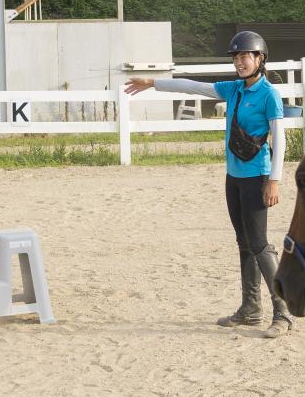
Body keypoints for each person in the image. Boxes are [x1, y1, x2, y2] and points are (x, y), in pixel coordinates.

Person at [124, 31, 293, 337]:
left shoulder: (269, 94)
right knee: (244, 244)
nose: (240, 62)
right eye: (236, 57)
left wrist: (275, 180)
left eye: (245, 56)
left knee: (259, 244)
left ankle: (282, 312)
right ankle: (250, 309)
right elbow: (194, 87)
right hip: (234, 178)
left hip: (257, 177)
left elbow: (279, 140)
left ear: (259, 59)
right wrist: (153, 83)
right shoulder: (234, 89)